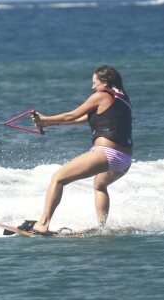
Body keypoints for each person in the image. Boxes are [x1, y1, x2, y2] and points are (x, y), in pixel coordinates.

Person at [29, 65, 133, 235]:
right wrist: (51, 123)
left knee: (58, 178)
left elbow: (71, 115)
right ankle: (102, 228)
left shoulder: (101, 96)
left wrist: (44, 118)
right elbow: (85, 118)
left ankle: (42, 224)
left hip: (107, 153)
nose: (92, 87)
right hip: (125, 159)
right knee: (100, 184)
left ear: (104, 82)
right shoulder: (123, 98)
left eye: (94, 83)